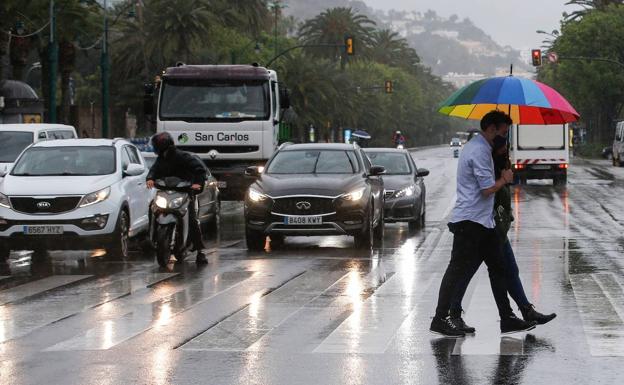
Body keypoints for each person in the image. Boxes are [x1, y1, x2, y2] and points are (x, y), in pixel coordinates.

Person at [429, 110, 537, 337]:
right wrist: (504, 180)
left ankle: (507, 318)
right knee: (457, 270)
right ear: (491, 129)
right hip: (469, 222)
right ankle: (440, 318)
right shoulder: (478, 151)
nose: (505, 137)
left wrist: (500, 157)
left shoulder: (484, 148)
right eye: (504, 132)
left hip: (483, 222)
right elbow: (487, 189)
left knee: (499, 269)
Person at [449, 136, 557, 326]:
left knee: (507, 270)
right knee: (472, 271)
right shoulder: (486, 161)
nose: (507, 149)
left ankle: (523, 311)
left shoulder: (499, 162)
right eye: (504, 146)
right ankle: (455, 314)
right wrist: (503, 179)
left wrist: (506, 174)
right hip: (483, 227)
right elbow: (487, 191)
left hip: (495, 228)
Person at [146, 132, 209, 264]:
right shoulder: (161, 159)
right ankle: (149, 236)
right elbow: (154, 170)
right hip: (166, 192)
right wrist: (150, 178)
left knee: (192, 220)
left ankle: (200, 251)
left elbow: (200, 170)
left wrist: (198, 183)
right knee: (152, 207)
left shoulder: (183, 157)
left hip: (184, 193)